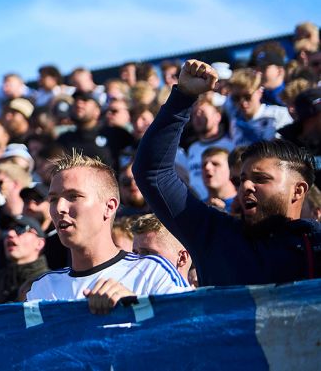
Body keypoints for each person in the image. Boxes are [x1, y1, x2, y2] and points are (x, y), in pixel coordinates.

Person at [134, 60, 321, 286]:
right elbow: (152, 173)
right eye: (241, 179)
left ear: (298, 190)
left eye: (261, 179)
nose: (246, 187)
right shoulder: (214, 235)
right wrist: (182, 97)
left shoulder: (317, 245)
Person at [26, 152, 189, 313]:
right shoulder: (42, 290)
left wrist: (136, 308)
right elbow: (29, 339)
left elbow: (189, 328)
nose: (59, 208)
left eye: (73, 196)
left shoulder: (152, 272)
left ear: (109, 207)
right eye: (53, 199)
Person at [58, 93, 134, 172]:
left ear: (97, 110)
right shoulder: (64, 139)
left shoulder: (116, 134)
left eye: (85, 100)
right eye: (76, 101)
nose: (79, 103)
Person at [0, 216, 48, 304]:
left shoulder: (49, 283)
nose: (10, 234)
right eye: (6, 231)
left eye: (20, 229)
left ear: (39, 243)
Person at [129, 214, 194, 287]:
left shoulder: (202, 298)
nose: (137, 260)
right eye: (135, 253)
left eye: (147, 253)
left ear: (182, 258)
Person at [199, 147, 238, 211]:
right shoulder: (197, 207)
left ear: (231, 170)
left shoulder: (244, 204)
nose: (207, 167)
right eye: (204, 165)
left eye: (215, 164)